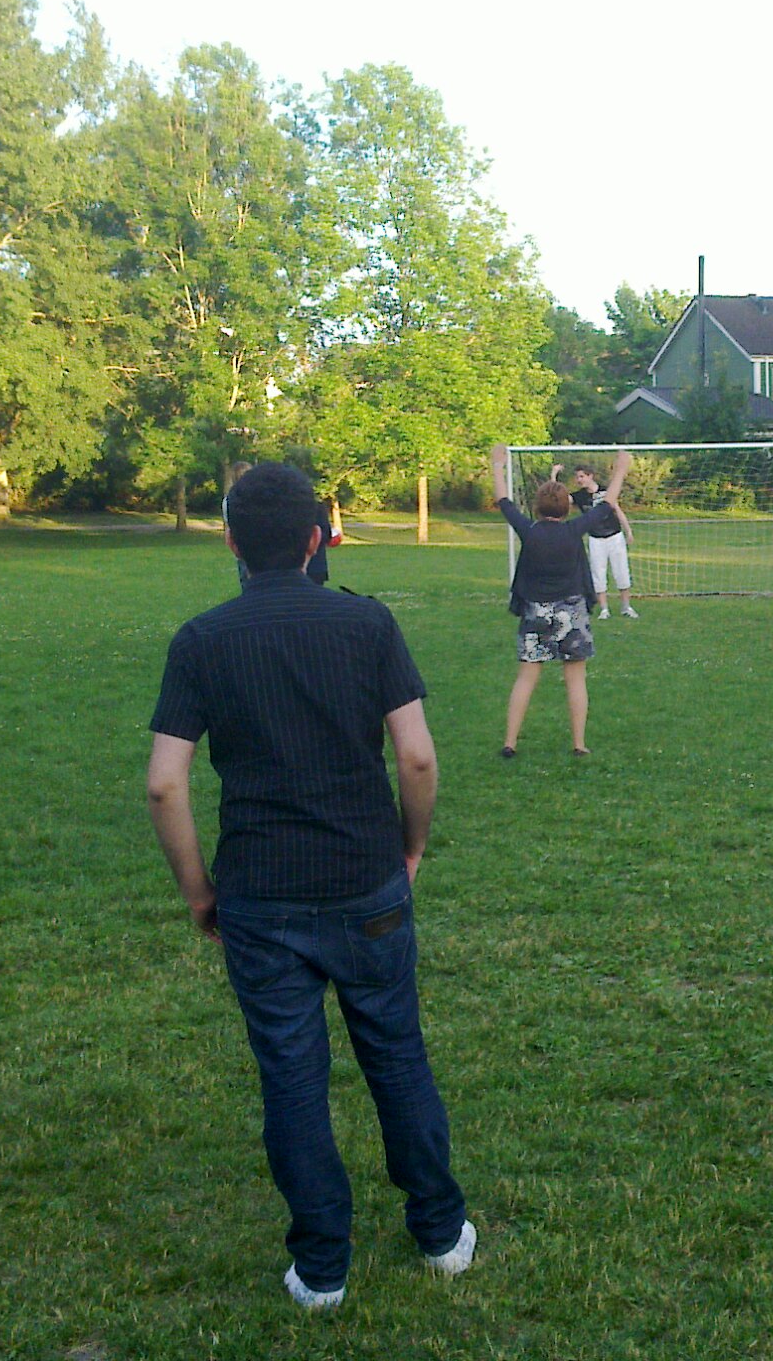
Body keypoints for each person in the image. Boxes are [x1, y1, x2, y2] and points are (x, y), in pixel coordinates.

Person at [144, 462, 472, 1311]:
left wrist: (197, 893)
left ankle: (322, 1266)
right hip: (366, 882)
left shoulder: (202, 640)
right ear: (318, 539)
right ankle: (439, 1232)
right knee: (396, 1057)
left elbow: (164, 785)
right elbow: (419, 756)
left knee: (291, 1076)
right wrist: (412, 848)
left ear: (231, 545)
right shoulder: (367, 625)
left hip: (259, 896)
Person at [492, 445, 631, 757]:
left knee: (526, 678)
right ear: (566, 508)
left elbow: (503, 501)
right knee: (575, 679)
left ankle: (510, 742)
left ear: (539, 507)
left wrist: (497, 466)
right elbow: (608, 503)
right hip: (572, 613)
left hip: (535, 612)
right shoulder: (574, 530)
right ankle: (579, 744)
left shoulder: (528, 529)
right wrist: (621, 468)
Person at [560, 462, 636, 620]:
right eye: (577, 477)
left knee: (621, 571)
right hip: (596, 539)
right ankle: (604, 609)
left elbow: (617, 510)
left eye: (582, 476)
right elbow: (558, 499)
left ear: (590, 476)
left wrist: (628, 530)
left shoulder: (605, 491)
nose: (579, 480)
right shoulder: (579, 496)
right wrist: (554, 475)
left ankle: (626, 607)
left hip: (615, 536)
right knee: (598, 573)